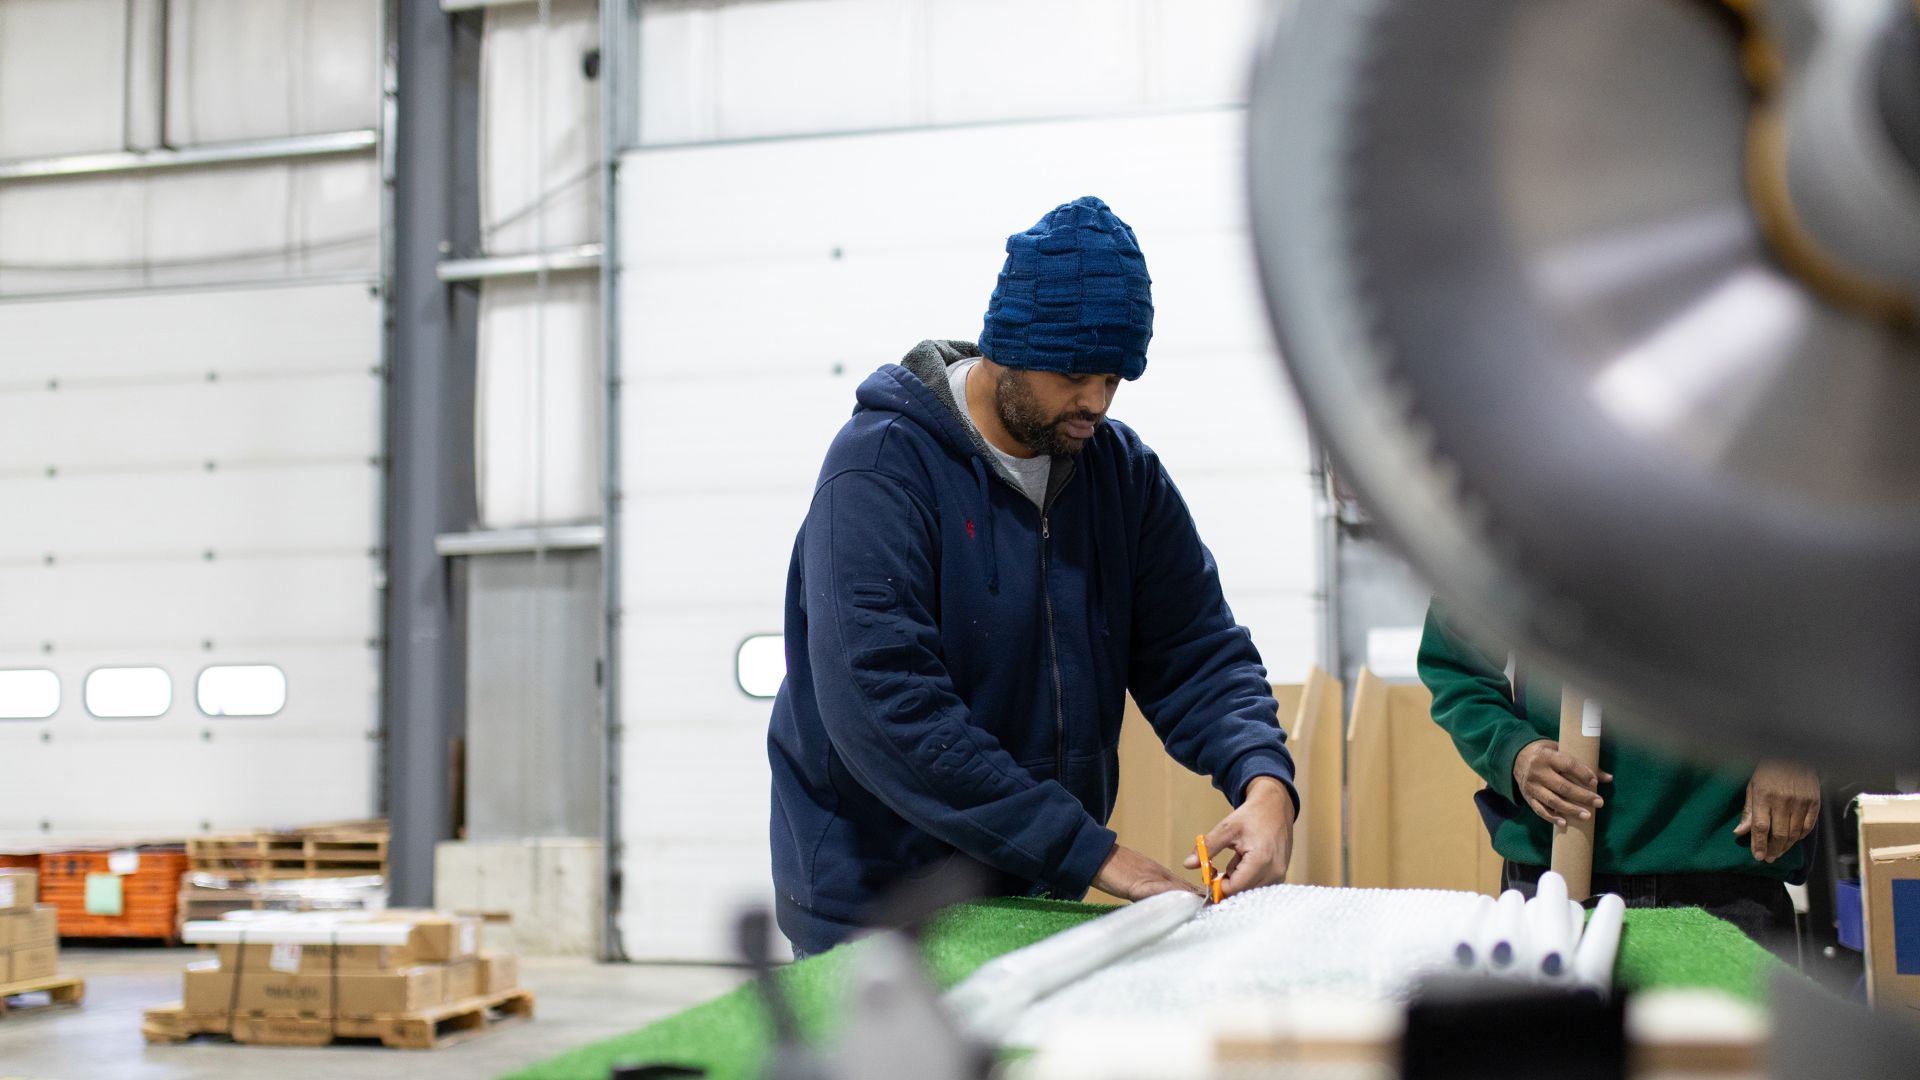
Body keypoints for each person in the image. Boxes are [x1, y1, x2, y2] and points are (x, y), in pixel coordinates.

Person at [766, 196, 1299, 956]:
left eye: (1115, 379)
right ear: (1008, 345)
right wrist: (1096, 854)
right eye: (1076, 374)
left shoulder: (1121, 477)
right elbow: (887, 707)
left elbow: (1197, 651)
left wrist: (1264, 783)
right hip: (876, 903)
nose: (1095, 403)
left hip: (1028, 890)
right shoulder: (880, 470)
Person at [1419, 600, 1819, 953]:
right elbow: (1455, 661)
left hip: (1727, 864)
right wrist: (1513, 751)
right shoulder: (1525, 514)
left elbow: (1829, 614)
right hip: (1559, 869)